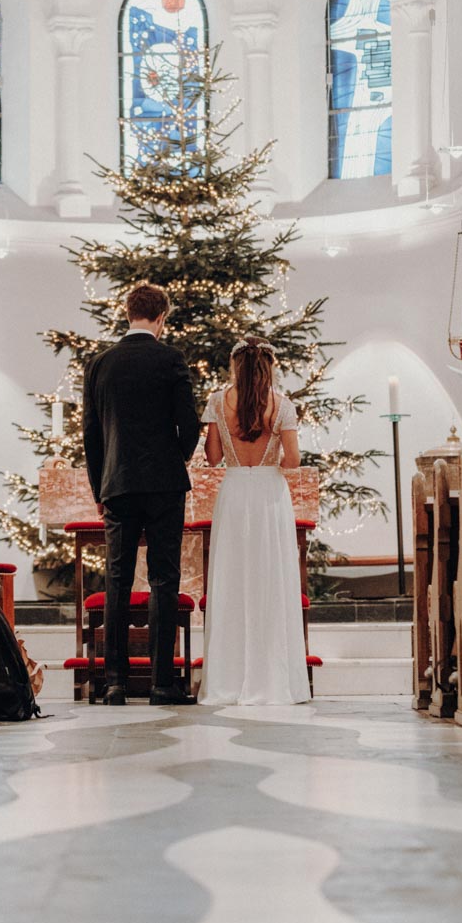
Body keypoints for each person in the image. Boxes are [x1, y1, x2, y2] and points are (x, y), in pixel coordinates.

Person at [82, 281, 200, 705]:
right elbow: (189, 426)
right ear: (162, 317)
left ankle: (113, 682)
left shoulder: (100, 364)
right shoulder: (170, 359)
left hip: (117, 482)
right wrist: (175, 459)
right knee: (163, 580)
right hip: (165, 484)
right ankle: (161, 683)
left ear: (128, 313)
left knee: (116, 578)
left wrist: (100, 486)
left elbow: (91, 436)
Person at [198, 337, 310, 706]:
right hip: (268, 495)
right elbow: (292, 461)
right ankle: (272, 679)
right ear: (268, 367)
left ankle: (227, 680)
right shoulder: (282, 405)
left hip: (233, 494)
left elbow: (212, 457)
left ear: (235, 366)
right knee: (270, 583)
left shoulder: (217, 401)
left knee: (232, 583)